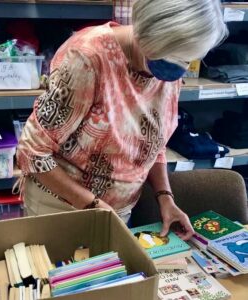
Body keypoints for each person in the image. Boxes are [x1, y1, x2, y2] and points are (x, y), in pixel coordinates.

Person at [16, 0, 228, 240]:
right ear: (146, 34)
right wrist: (94, 205)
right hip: (62, 208)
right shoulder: (87, 58)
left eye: (187, 60)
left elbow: (152, 143)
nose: (180, 69)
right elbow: (31, 153)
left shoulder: (168, 70)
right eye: (175, 58)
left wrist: (165, 197)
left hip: (117, 211)